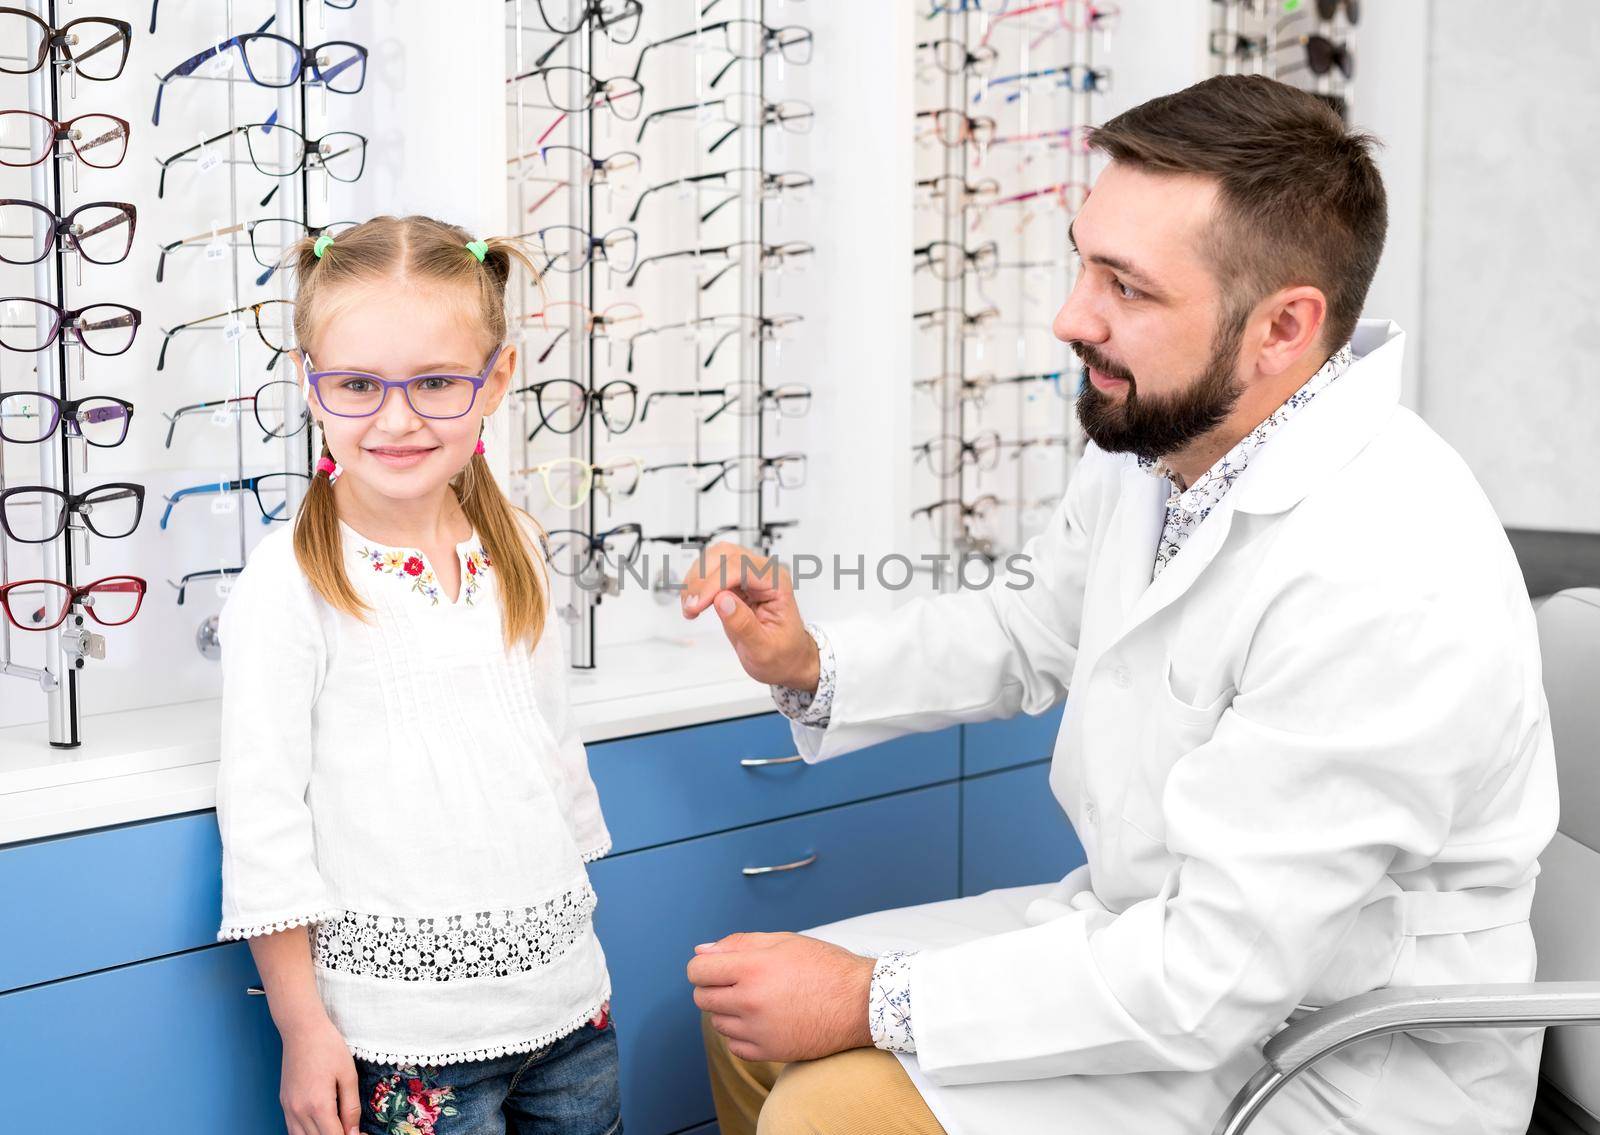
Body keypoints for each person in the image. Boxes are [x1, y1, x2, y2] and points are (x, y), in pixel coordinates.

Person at [680, 76, 1558, 1135]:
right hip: (1162, 959)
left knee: (829, 1106)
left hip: (1345, 1051)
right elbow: (1028, 627)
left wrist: (866, 998)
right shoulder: (1172, 442)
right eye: (1081, 261)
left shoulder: (1388, 566)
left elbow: (1214, 973)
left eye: (1125, 288)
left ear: (1283, 326)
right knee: (746, 1019)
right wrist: (810, 664)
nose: (1069, 316)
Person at [214, 216, 619, 1135]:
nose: (396, 420)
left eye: (437, 382)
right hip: (400, 1038)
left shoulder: (515, 544)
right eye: (358, 383)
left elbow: (550, 753)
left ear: (497, 380)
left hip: (570, 1008)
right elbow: (265, 819)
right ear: (310, 382)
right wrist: (302, 1026)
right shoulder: (289, 583)